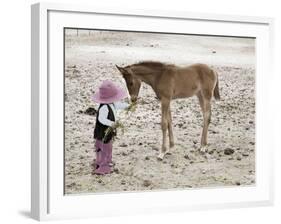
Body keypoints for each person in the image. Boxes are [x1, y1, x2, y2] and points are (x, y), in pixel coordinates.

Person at [92, 80, 128, 175]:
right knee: (103, 148)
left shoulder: (111, 104)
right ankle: (103, 167)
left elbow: (119, 105)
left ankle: (106, 161)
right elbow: (101, 119)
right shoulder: (104, 107)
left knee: (108, 147)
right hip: (103, 133)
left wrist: (128, 106)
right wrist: (112, 123)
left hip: (108, 132)